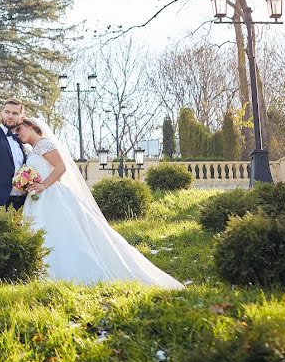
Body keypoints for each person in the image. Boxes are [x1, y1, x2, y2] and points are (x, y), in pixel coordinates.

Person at [14, 116, 184, 289]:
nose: (17, 134)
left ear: (30, 126)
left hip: (52, 194)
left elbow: (61, 168)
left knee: (64, 232)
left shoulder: (43, 144)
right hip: (39, 197)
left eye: (19, 129)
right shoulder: (33, 149)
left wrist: (43, 184)